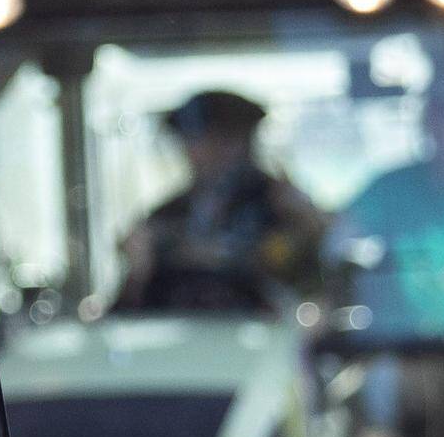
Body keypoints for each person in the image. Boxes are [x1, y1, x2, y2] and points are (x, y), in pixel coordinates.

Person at [113, 89, 332, 313]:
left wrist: (308, 227)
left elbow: (315, 296)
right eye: (194, 141)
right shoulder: (168, 213)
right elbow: (126, 316)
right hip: (178, 340)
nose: (204, 152)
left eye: (224, 139)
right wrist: (138, 274)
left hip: (264, 337)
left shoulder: (280, 206)